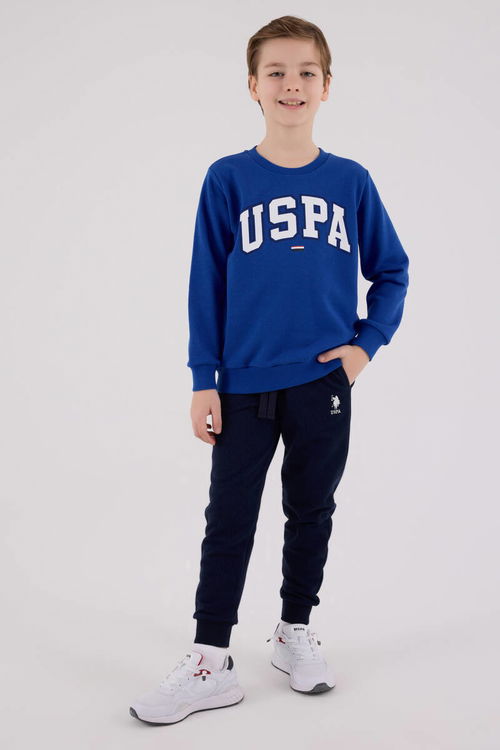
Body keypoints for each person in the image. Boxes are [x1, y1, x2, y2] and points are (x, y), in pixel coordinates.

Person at [130, 14, 410, 725]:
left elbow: (392, 270)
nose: (292, 84)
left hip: (323, 383)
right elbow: (205, 284)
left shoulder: (350, 180)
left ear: (327, 85)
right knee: (229, 517)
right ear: (252, 86)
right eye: (276, 72)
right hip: (242, 384)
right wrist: (203, 377)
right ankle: (210, 658)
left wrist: (365, 347)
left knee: (311, 508)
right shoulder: (228, 178)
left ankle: (294, 629)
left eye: (306, 72)